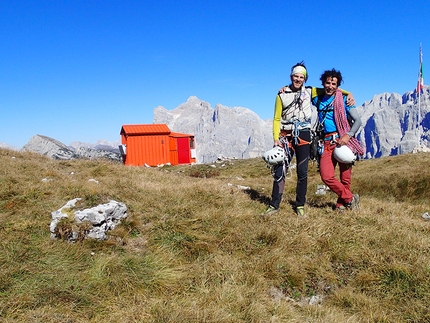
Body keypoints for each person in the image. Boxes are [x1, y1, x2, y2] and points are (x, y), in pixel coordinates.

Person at [261, 62, 354, 217]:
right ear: (291, 77)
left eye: (301, 77)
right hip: (285, 135)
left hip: (303, 134)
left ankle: (300, 205)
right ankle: (274, 204)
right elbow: (277, 118)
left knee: (302, 172)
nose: (298, 79)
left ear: (305, 79)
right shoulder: (281, 95)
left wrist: (349, 93)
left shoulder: (311, 91)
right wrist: (276, 138)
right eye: (295, 76)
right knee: (279, 170)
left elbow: (331, 89)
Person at [311, 68, 364, 211]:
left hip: (343, 141)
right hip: (327, 142)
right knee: (326, 176)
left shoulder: (345, 100)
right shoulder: (318, 99)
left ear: (338, 86)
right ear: (323, 83)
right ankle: (351, 198)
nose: (330, 86)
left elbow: (358, 121)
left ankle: (341, 205)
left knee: (345, 178)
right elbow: (306, 89)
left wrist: (348, 135)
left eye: (334, 84)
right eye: (327, 83)